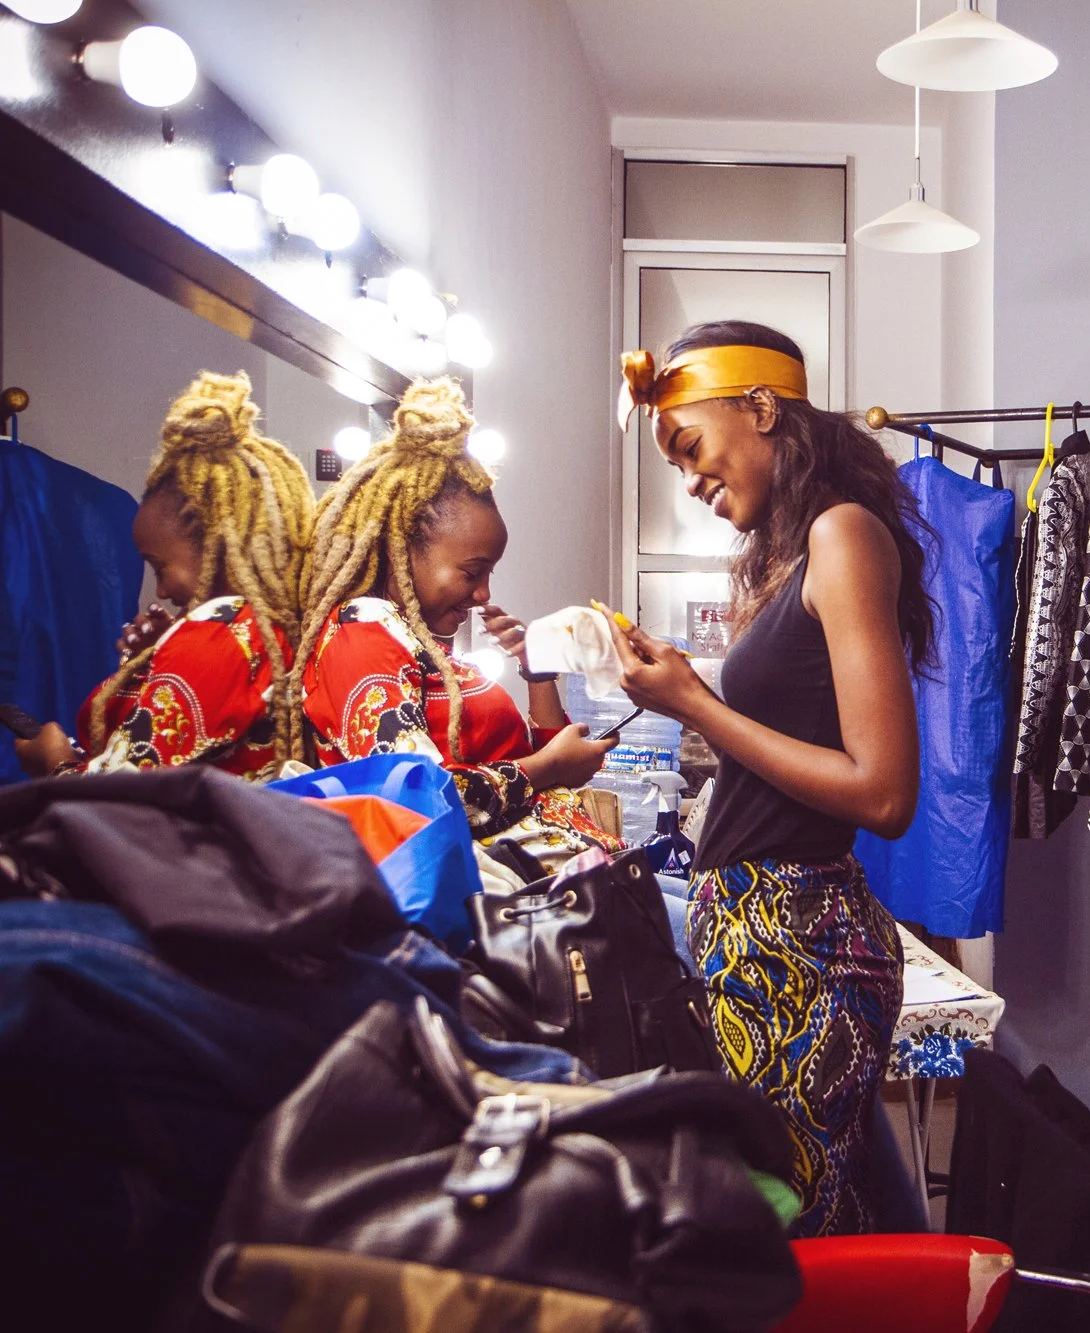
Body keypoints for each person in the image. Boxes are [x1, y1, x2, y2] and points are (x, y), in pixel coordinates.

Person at [608, 320, 930, 1235]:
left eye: (691, 449)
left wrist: (697, 707)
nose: (692, 481)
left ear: (760, 409)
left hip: (801, 940)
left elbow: (884, 791)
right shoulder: (794, 554)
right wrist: (689, 691)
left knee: (797, 1236)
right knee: (811, 1215)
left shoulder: (843, 535)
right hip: (763, 933)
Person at [298, 378, 617, 867]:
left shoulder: (415, 640)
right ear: (400, 548)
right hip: (518, 904)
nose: (485, 593)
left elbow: (549, 763)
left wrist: (538, 674)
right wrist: (546, 768)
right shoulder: (361, 635)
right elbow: (421, 801)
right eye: (472, 572)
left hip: (565, 874)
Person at [12, 371, 314, 780]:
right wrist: (162, 658)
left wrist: (55, 762)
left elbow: (118, 802)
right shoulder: (270, 632)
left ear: (216, 545)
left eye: (160, 567)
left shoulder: (221, 634)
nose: (161, 590)